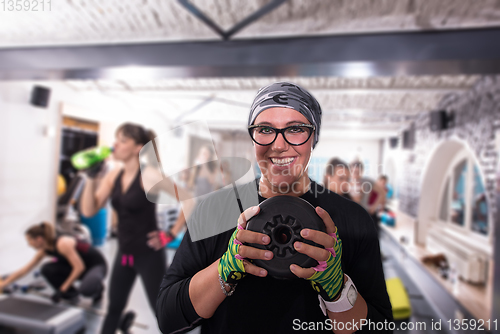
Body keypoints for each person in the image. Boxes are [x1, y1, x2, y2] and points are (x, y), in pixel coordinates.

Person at [156, 82, 392, 333]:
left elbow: (380, 328)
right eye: (265, 129)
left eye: (296, 129)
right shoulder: (215, 210)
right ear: (253, 136)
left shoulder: (352, 220)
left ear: (314, 138)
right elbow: (169, 318)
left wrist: (339, 290)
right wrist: (224, 269)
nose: (278, 145)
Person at [80, 123, 187, 334]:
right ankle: (123, 322)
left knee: (162, 313)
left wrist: (170, 234)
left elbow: (189, 200)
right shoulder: (113, 176)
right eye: (116, 139)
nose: (115, 145)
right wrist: (91, 178)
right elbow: (89, 210)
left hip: (148, 256)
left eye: (122, 140)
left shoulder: (149, 176)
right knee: (113, 309)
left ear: (138, 147)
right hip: (124, 254)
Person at [0, 222, 106, 304]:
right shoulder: (44, 250)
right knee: (46, 269)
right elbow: (25, 270)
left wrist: (62, 289)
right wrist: (4, 284)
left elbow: (79, 268)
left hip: (96, 266)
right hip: (80, 267)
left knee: (86, 290)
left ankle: (98, 288)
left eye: (29, 241)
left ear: (39, 239)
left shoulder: (62, 243)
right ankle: (71, 294)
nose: (29, 244)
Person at [349, 160, 386, 231]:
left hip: (366, 216)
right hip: (352, 218)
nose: (355, 175)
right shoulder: (346, 183)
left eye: (357, 172)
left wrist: (374, 207)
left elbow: (382, 193)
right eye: (353, 171)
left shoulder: (367, 182)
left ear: (361, 171)